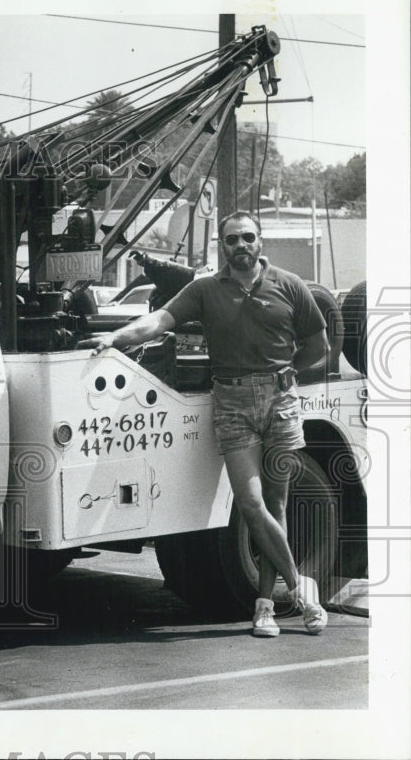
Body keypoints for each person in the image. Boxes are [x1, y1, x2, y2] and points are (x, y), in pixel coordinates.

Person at [79, 211, 329, 637]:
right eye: (232, 240)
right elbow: (158, 321)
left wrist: (287, 374)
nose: (241, 245)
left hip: (281, 403)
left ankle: (265, 607)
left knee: (277, 506)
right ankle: (301, 587)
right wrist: (115, 337)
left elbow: (318, 346)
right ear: (222, 247)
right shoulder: (206, 290)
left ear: (260, 241)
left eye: (247, 237)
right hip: (231, 403)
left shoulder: (290, 285)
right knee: (250, 505)